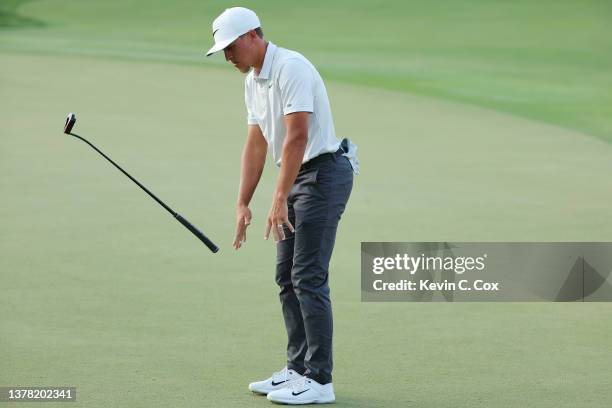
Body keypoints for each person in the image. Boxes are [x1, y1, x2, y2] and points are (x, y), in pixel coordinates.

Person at [206, 7, 358, 405]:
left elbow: (296, 137)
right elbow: (257, 143)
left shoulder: (292, 67)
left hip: (323, 174)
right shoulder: (253, 80)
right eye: (221, 50)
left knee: (308, 275)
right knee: (286, 276)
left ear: (254, 35)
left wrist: (277, 198)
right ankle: (297, 370)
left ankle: (320, 381)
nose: (227, 57)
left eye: (231, 46)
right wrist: (243, 201)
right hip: (296, 177)